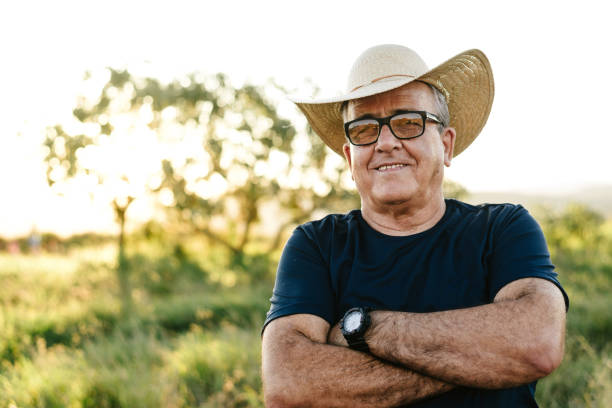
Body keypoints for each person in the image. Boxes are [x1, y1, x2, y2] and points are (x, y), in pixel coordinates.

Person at [261, 45, 569, 407]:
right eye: (364, 129)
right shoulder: (315, 245)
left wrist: (361, 330)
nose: (386, 142)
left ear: (446, 143)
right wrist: (480, 360)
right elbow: (288, 384)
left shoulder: (502, 228)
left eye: (409, 122)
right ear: (350, 157)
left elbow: (535, 344)